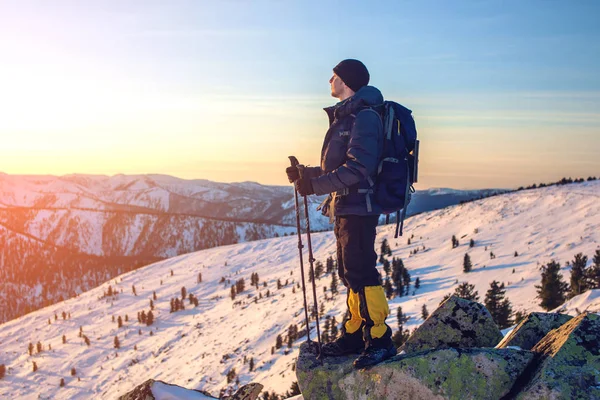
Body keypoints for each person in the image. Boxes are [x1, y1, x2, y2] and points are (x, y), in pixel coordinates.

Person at [286, 59, 396, 368]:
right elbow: (337, 167)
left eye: (333, 76)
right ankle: (354, 332)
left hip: (360, 206)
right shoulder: (348, 117)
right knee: (349, 274)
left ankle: (379, 338)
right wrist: (305, 175)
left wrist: (315, 185)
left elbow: (360, 168)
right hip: (347, 206)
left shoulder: (365, 117)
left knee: (362, 272)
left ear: (346, 81)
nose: (329, 81)